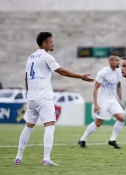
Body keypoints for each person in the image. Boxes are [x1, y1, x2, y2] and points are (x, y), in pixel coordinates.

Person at [14, 32, 94, 166]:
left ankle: (18, 157)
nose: (53, 43)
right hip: (43, 96)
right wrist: (80, 76)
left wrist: (29, 95)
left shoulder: (30, 58)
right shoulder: (46, 56)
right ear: (44, 43)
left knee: (28, 127)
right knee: (50, 125)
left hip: (32, 97)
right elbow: (61, 71)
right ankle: (46, 158)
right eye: (51, 41)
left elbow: (26, 78)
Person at [78, 55, 125, 149]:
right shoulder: (103, 72)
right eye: (116, 60)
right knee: (98, 122)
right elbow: (95, 88)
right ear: (110, 61)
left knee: (122, 118)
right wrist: (96, 104)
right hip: (102, 99)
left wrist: (120, 100)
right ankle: (82, 139)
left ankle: (112, 140)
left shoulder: (119, 72)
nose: (118, 62)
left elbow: (118, 87)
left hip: (112, 99)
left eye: (119, 60)